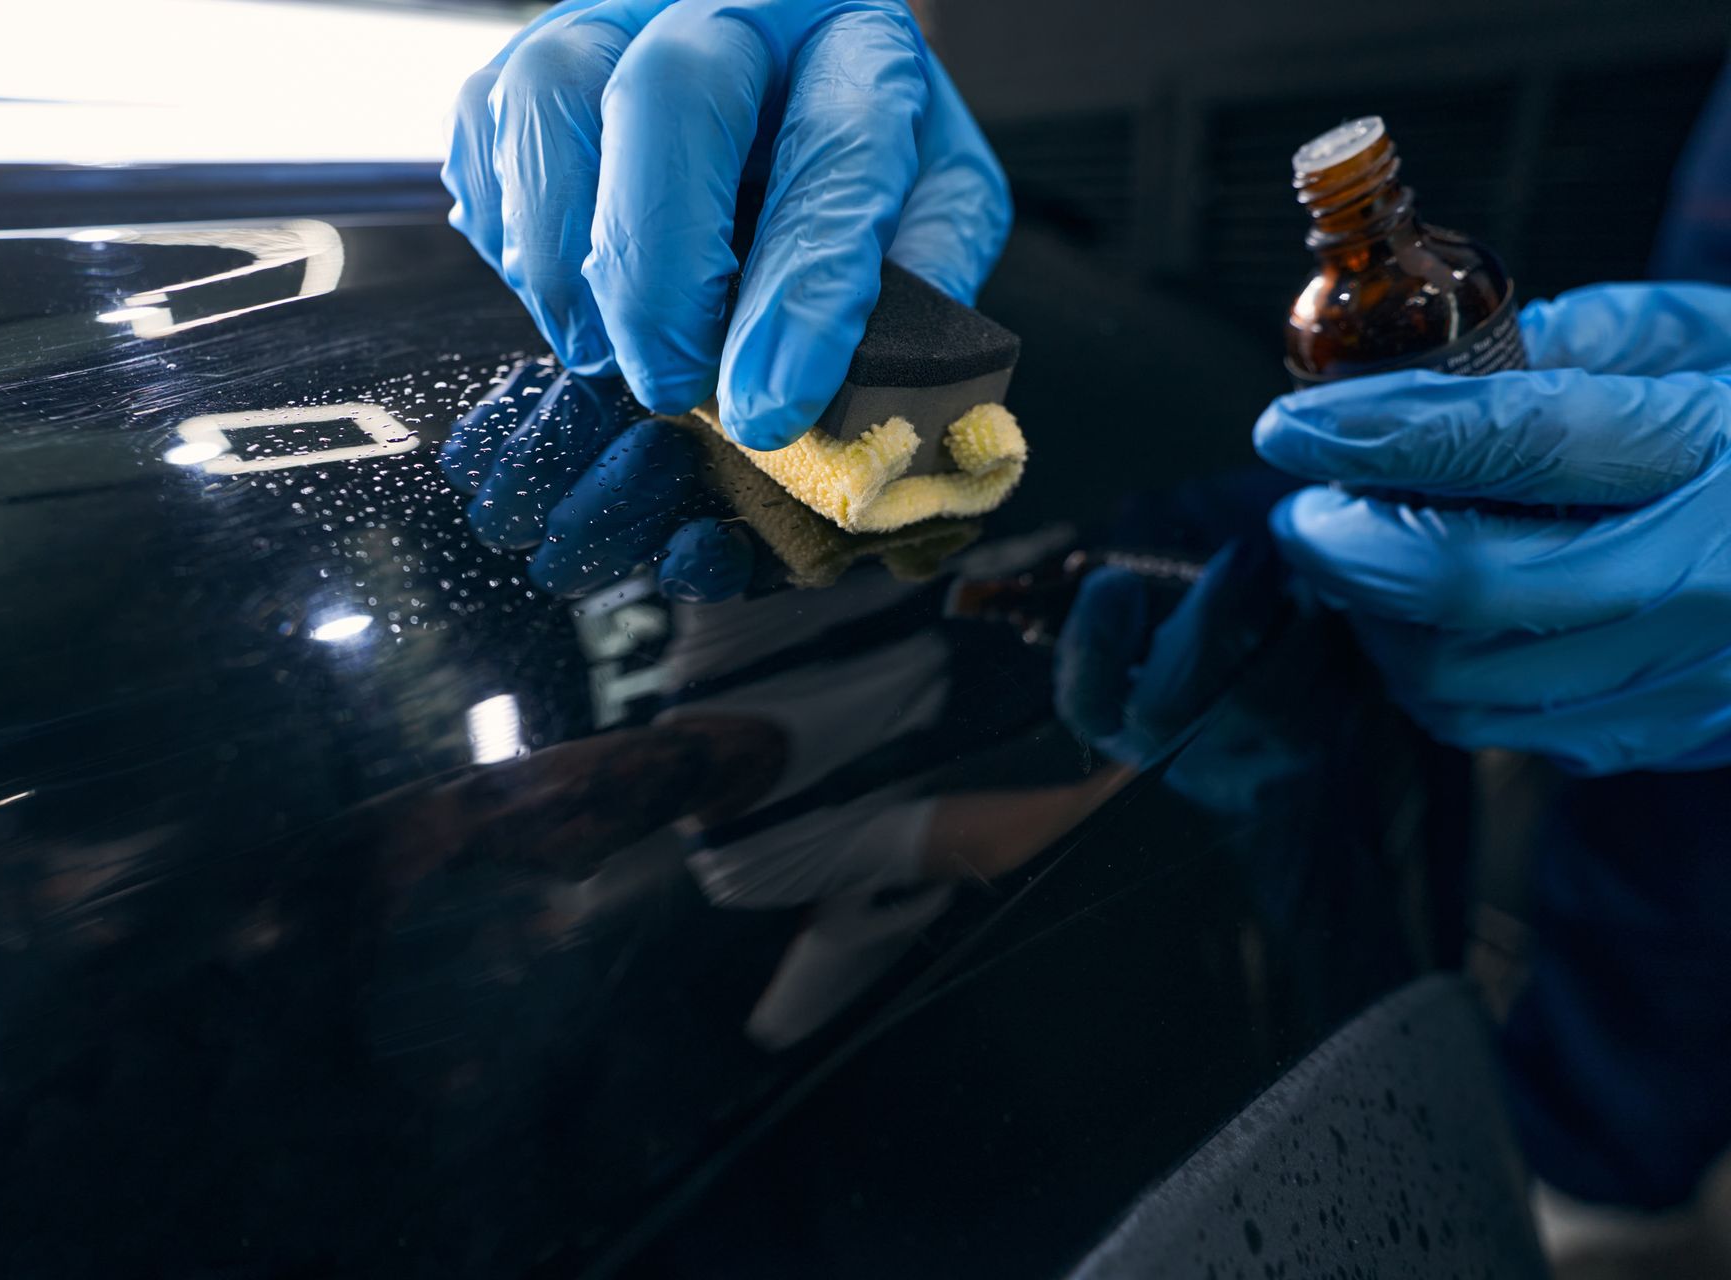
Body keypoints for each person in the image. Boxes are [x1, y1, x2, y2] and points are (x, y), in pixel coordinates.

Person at [442, 0, 1731, 1265]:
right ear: (589, 859)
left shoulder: (711, 654)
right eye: (549, 830)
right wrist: (1180, 755)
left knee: (1653, 843)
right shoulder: (755, 856)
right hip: (1132, 605)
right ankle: (1606, 1151)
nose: (573, 793)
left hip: (1124, 559)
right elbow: (989, 816)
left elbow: (848, 525)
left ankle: (1612, 1158)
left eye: (526, 790)